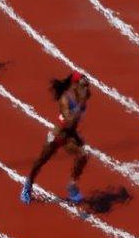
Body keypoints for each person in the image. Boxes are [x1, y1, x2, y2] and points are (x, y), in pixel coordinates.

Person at [21, 73, 91, 205]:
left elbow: (74, 126)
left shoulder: (83, 102)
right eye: (83, 86)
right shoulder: (65, 99)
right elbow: (68, 122)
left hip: (70, 136)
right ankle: (28, 184)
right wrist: (80, 105)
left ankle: (72, 185)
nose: (86, 89)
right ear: (75, 85)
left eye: (87, 86)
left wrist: (77, 136)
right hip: (58, 135)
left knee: (83, 155)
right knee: (41, 161)